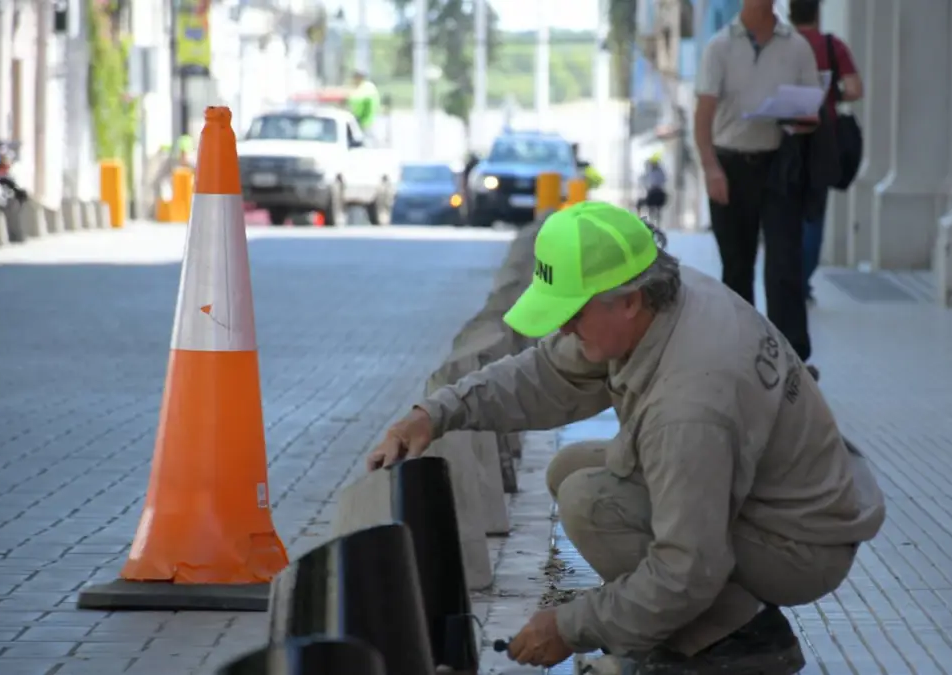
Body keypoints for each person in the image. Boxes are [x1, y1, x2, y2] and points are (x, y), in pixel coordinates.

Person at [365, 202, 886, 673]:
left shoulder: (689, 406)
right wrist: (434, 414)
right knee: (570, 468)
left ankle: (745, 638)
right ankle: (698, 624)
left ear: (630, 300)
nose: (564, 329)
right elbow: (545, 375)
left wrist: (571, 627)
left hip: (800, 546)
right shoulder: (666, 298)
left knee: (590, 503)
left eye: (573, 314)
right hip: (785, 498)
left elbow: (687, 569)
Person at [694, 0, 824, 376]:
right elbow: (703, 116)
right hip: (730, 165)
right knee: (737, 265)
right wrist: (711, 168)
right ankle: (741, 357)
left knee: (785, 262)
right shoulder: (719, 47)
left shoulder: (796, 46)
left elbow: (812, 113)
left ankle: (793, 360)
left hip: (778, 164)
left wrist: (798, 117)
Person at [789, 0, 863, 304]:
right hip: (823, 139)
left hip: (786, 137)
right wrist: (832, 94)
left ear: (790, 12)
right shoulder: (832, 46)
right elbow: (855, 89)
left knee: (785, 211)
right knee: (814, 213)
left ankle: (788, 280)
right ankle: (802, 282)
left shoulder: (784, 46)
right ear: (817, 12)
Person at [637, 154, 668, 223]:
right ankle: (652, 220)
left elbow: (646, 181)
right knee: (645, 205)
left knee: (652, 207)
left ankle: (655, 221)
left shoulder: (655, 172)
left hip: (656, 193)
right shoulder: (654, 171)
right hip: (655, 193)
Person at [347, 70, 381, 134]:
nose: (352, 81)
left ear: (359, 78)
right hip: (365, 123)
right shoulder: (365, 87)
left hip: (366, 124)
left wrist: (346, 98)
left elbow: (356, 100)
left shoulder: (366, 87)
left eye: (354, 78)